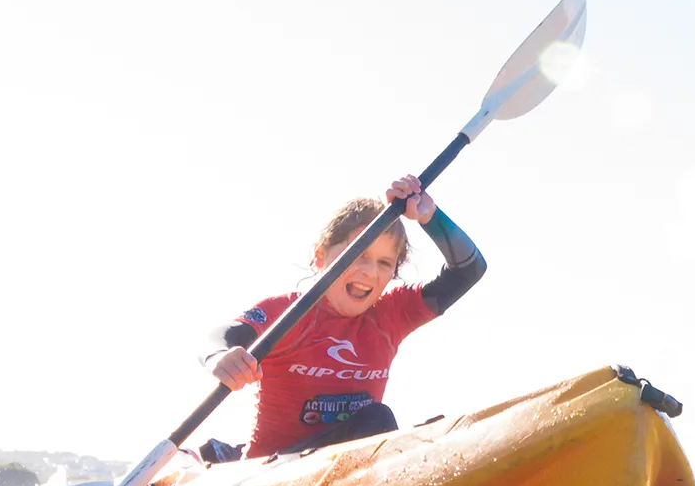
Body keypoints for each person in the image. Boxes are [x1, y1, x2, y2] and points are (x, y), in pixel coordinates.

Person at [198, 175, 485, 460]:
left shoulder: (391, 316)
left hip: (347, 468)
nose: (369, 272)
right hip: (270, 473)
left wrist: (430, 217)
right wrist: (219, 356)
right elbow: (228, 333)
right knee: (377, 419)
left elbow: (468, 271)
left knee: (402, 428)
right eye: (358, 253)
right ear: (321, 256)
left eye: (384, 263)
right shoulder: (290, 313)